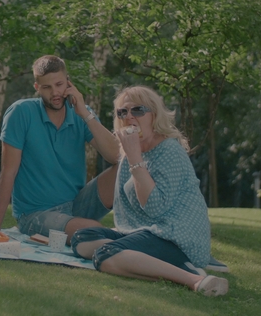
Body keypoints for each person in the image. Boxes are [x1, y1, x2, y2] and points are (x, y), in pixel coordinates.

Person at [70, 85, 229, 296]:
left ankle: (193, 277)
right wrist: (131, 154)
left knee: (105, 255)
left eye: (138, 110)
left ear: (154, 115)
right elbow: (123, 206)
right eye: (122, 112)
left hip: (176, 237)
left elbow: (154, 208)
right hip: (147, 232)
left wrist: (135, 157)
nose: (129, 117)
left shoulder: (169, 151)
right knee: (80, 239)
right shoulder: (128, 152)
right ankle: (146, 260)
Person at [0, 55, 119, 242]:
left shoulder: (82, 113)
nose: (55, 93)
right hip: (35, 215)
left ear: (68, 82)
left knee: (125, 168)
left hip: (77, 205)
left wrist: (85, 113)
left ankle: (137, 230)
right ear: (37, 88)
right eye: (47, 87)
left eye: (59, 85)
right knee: (93, 231)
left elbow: (117, 156)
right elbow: (8, 173)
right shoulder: (21, 112)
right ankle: (126, 243)